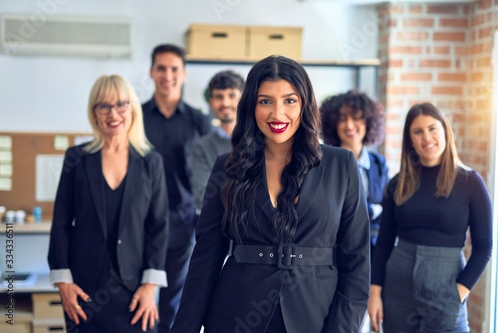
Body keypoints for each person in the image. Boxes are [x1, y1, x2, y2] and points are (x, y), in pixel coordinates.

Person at [170, 55, 370, 333]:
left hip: (315, 315)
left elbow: (357, 261)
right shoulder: (227, 168)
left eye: (289, 100)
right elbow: (205, 258)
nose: (278, 114)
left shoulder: (341, 165)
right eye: (266, 101)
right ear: (252, 106)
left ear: (305, 105)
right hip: (235, 313)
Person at [48, 74, 169, 333]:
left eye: (121, 104)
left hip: (136, 293)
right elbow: (60, 222)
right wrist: (63, 283)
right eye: (104, 105)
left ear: (132, 108)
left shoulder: (151, 162)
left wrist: (150, 286)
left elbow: (158, 225)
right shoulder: (77, 158)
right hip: (83, 292)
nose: (113, 113)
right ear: (94, 112)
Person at [368, 103, 493, 332]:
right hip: (398, 288)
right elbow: (384, 243)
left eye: (433, 128)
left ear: (445, 130)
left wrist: (458, 294)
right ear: (410, 140)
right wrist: (375, 293)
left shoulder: (470, 182)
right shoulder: (398, 183)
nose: (427, 137)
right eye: (418, 132)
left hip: (446, 288)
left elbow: (484, 247)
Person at [142, 43, 212, 333]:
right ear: (151, 72)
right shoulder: (136, 116)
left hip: (184, 222)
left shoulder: (199, 121)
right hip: (141, 221)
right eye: (161, 68)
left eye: (174, 69)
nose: (167, 75)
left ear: (183, 74)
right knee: (140, 296)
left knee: (175, 301)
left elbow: (212, 172)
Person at [320, 90, 389, 250]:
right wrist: (372, 210)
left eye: (356, 118)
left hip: (372, 248)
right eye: (342, 119)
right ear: (333, 124)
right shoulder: (323, 161)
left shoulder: (379, 163)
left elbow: (387, 210)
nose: (349, 125)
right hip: (333, 247)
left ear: (369, 122)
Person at [191, 70, 245, 210]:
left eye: (232, 95)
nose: (225, 103)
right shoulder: (201, 147)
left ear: (244, 99)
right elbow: (202, 197)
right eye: (219, 97)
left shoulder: (260, 141)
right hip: (218, 228)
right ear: (211, 102)